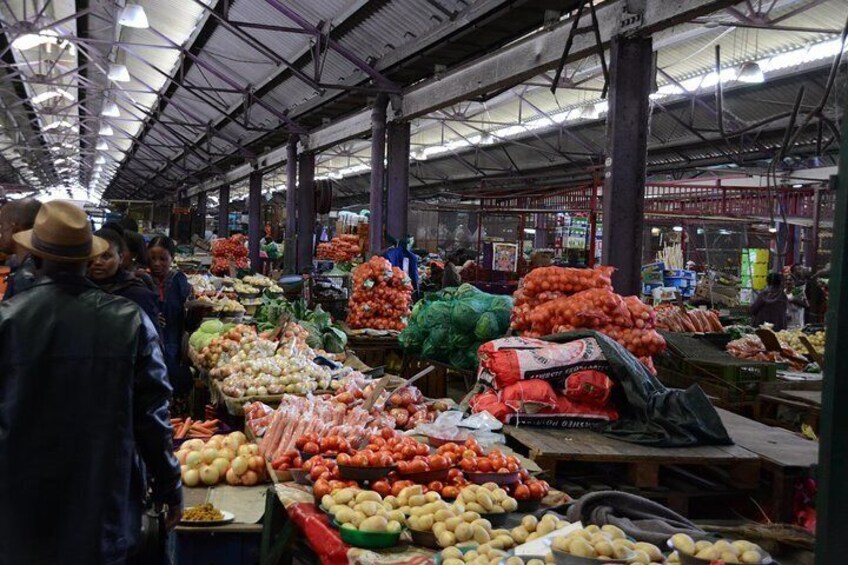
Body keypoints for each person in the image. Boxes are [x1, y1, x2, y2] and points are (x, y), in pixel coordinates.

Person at [0, 201, 182, 563]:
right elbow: (153, 417)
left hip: (19, 512)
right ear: (88, 260)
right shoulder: (129, 322)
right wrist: (169, 485)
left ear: (35, 258)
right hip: (104, 507)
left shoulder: (7, 322)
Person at [89, 228, 161, 329]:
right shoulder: (79, 289)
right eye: (93, 255)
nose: (97, 262)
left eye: (106, 256)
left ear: (121, 258)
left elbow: (151, 337)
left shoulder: (137, 295)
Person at [148, 235, 193, 397]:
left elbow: (189, 316)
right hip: (149, 344)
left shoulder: (179, 281)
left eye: (163, 259)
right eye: (152, 259)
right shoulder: (141, 281)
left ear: (171, 258)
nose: (157, 264)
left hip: (173, 342)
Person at [0, 198, 42, 299]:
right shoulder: (42, 267)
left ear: (15, 231)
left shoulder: (26, 279)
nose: (1, 234)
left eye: (1, 226)